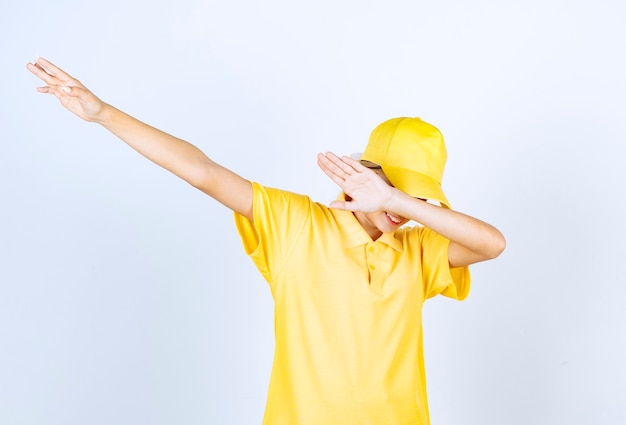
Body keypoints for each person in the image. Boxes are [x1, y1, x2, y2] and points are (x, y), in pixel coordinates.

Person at [27, 57, 505, 425]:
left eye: (413, 196)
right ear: (360, 174)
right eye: (392, 190)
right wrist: (104, 113)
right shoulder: (297, 223)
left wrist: (400, 201)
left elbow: (492, 244)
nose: (400, 208)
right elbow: (203, 172)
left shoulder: (419, 249)